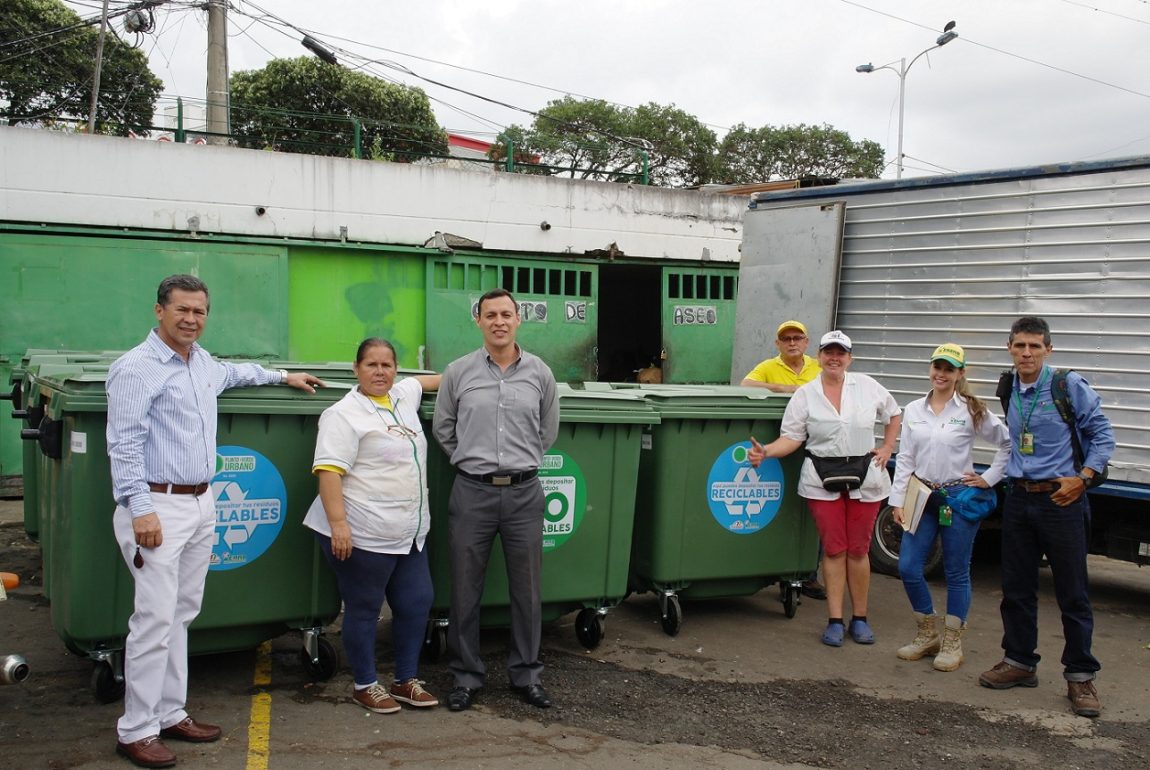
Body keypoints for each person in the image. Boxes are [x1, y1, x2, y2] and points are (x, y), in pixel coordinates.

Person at [106, 274, 323, 768]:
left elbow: (236, 373)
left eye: (200, 311)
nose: (191, 319)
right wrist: (140, 510)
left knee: (181, 613)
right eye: (182, 310)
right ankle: (134, 729)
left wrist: (282, 376)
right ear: (158, 311)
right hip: (158, 506)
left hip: (203, 503)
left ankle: (169, 712)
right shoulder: (136, 369)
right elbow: (123, 444)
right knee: (154, 620)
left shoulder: (201, 363)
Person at [978, 317, 1115, 718]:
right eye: (1020, 345)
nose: (1026, 353)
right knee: (1016, 588)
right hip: (1020, 499)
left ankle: (1080, 676)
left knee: (1073, 592)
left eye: (1034, 347)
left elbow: (1103, 435)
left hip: (1062, 500)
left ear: (1048, 350)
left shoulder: (1067, 385)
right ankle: (1019, 662)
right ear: (1009, 347)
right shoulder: (1010, 388)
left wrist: (1083, 479)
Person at [432, 288, 559, 712]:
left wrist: (518, 465)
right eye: (491, 315)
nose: (499, 321)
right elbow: (443, 429)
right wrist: (473, 464)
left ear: (518, 319)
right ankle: (466, 677)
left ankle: (526, 674)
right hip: (472, 493)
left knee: (528, 591)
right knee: (465, 589)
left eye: (506, 314)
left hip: (525, 493)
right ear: (479, 321)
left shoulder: (540, 373)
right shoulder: (458, 372)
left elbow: (547, 431)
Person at [303, 338, 442, 714]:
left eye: (387, 365)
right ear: (356, 368)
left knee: (416, 602)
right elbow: (329, 472)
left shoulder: (402, 397)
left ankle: (405, 680)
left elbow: (433, 381)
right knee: (364, 607)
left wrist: (478, 375)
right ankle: (365, 684)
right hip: (361, 530)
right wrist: (339, 525)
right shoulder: (343, 414)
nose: (380, 372)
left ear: (397, 369)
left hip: (408, 530)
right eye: (371, 365)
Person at [748, 331, 901, 647]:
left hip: (865, 474)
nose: (835, 358)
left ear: (850, 358)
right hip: (821, 475)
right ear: (818, 357)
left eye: (841, 353)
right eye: (829, 352)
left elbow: (894, 413)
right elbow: (792, 438)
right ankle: (834, 620)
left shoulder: (868, 386)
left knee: (858, 548)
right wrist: (766, 451)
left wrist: (887, 446)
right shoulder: (805, 394)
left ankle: (859, 619)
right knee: (834, 548)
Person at [888, 344, 1010, 672]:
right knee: (909, 567)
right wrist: (896, 501)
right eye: (937, 366)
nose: (941, 373)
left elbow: (1008, 443)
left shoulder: (971, 409)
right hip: (923, 496)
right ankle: (927, 633)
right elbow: (907, 458)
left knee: (956, 571)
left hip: (958, 498)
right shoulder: (914, 409)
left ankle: (953, 641)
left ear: (960, 373)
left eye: (949, 368)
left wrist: (989, 479)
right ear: (930, 369)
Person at [740, 320, 826, 600]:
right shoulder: (769, 366)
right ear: (778, 344)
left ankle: (807, 574)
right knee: (780, 506)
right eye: (786, 339)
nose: (792, 343)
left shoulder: (818, 366)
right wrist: (786, 389)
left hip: (816, 444)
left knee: (814, 511)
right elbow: (746, 385)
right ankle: (779, 569)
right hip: (782, 440)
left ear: (806, 342)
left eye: (797, 338)